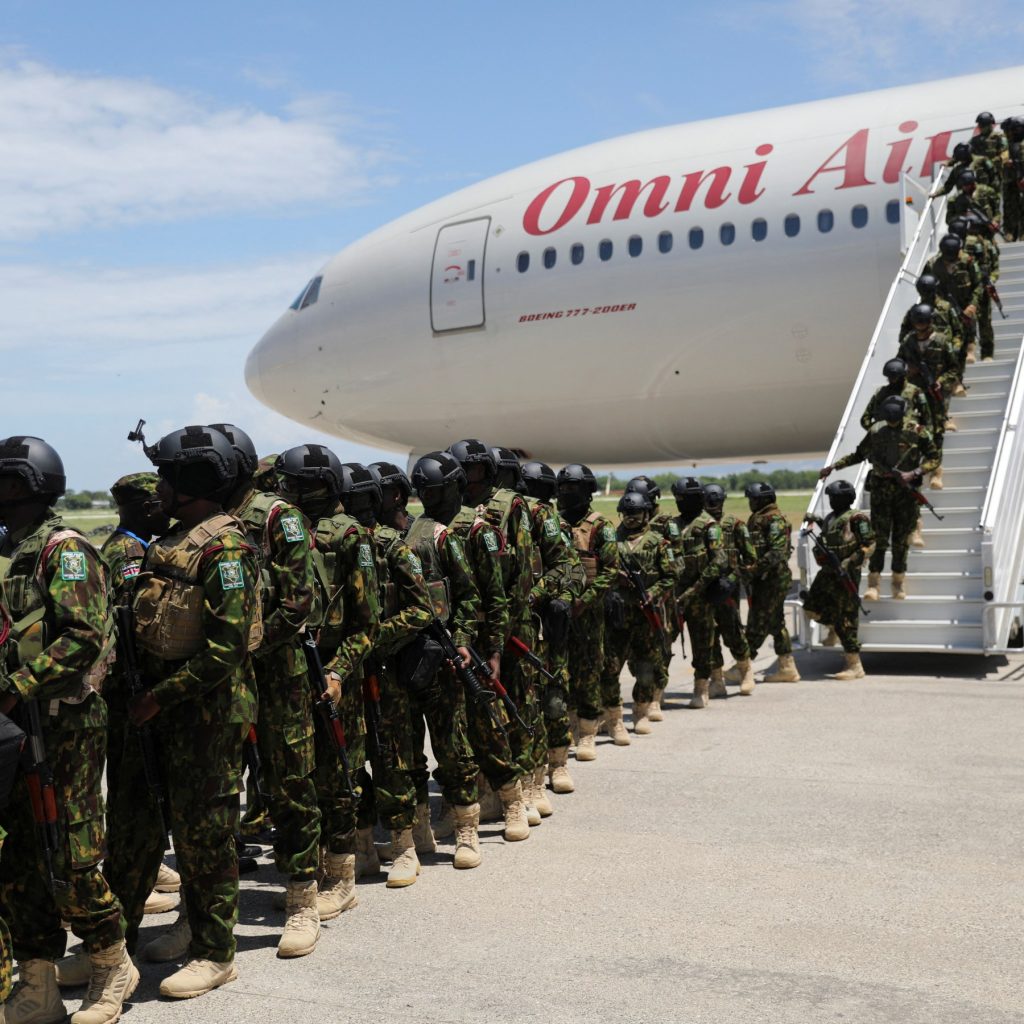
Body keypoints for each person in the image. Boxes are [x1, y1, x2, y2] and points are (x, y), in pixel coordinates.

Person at [103, 425, 261, 999]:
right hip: (155, 714)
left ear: (193, 481)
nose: (159, 490)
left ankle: (215, 953)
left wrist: (157, 698)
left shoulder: (226, 549)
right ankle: (113, 950)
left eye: (167, 478)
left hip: (205, 718)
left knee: (204, 838)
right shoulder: (170, 541)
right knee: (132, 833)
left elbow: (226, 649)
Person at [0, 436, 134, 1024]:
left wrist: (16, 686)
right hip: (15, 727)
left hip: (63, 724)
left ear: (24, 484)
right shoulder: (11, 550)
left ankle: (111, 962)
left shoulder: (65, 549)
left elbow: (83, 636)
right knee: (21, 860)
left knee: (71, 853)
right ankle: (38, 984)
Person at [212, 424, 321, 957]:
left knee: (289, 784)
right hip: (221, 677)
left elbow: (299, 602)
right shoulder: (204, 520)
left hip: (277, 674)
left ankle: (302, 898)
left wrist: (248, 646)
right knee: (215, 791)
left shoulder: (279, 517)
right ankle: (207, 910)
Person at [275, 445, 380, 921]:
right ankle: (310, 873)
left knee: (339, 777)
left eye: (305, 484)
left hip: (335, 674)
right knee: (297, 780)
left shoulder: (351, 537)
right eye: (290, 484)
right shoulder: (286, 530)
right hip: (292, 675)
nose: (294, 492)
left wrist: (339, 670)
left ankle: (342, 877)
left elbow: (367, 624)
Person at [98, 473, 181, 921]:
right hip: (126, 688)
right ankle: (131, 878)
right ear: (146, 508)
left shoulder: (132, 546)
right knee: (132, 790)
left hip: (129, 687)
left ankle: (143, 869)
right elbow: (134, 624)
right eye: (158, 504)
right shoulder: (129, 554)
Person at [356, 462, 435, 888]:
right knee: (350, 765)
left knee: (392, 759)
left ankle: (405, 845)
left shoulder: (393, 548)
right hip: (346, 671)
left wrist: (374, 637)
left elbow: (423, 610)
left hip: (385, 670)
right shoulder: (338, 545)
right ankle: (363, 848)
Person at [446, 440, 529, 842]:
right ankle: (463, 807)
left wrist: (497, 644)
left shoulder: (492, 521)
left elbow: (503, 588)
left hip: (482, 636)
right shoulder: (434, 523)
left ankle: (513, 799)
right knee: (452, 732)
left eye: (474, 471)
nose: (468, 479)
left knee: (488, 725)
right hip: (447, 638)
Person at [405, 452, 484, 869]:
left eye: (437, 490)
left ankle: (466, 827)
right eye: (426, 492)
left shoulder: (441, 537)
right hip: (405, 654)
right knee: (406, 751)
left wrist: (464, 640)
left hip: (444, 654)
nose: (431, 498)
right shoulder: (406, 534)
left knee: (453, 746)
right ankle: (418, 831)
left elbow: (469, 595)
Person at [821, 395, 939, 602]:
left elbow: (934, 457)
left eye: (895, 419)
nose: (891, 423)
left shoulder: (917, 431)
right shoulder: (876, 431)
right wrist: (834, 467)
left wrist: (914, 473)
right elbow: (859, 454)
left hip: (905, 494)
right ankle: (873, 584)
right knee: (878, 540)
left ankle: (898, 582)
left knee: (901, 540)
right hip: (881, 494)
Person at [520, 460, 586, 802]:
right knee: (525, 701)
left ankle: (558, 763)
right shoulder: (507, 520)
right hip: (520, 623)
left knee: (555, 696)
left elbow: (573, 571)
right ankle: (531, 774)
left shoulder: (551, 523)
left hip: (547, 621)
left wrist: (561, 600)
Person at [556, 464, 624, 755]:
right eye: (563, 488)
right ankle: (569, 725)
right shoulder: (553, 524)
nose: (566, 493)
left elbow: (610, 571)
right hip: (559, 611)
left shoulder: (600, 526)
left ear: (586, 491)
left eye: (572, 488)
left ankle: (588, 731)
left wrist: (584, 601)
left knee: (589, 671)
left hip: (589, 613)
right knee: (562, 670)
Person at [600, 492, 675, 734]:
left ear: (645, 514)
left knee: (646, 670)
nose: (631, 518)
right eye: (627, 514)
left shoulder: (658, 542)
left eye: (636, 514)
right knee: (610, 668)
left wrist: (653, 592)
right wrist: (616, 578)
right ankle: (613, 717)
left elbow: (670, 576)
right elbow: (599, 570)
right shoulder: (611, 540)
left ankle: (641, 711)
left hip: (645, 617)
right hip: (618, 617)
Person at [801, 480, 875, 679]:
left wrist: (851, 561)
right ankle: (833, 627)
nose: (831, 500)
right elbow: (831, 532)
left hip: (846, 573)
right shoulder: (831, 518)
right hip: (828, 571)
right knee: (811, 607)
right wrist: (815, 519)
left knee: (847, 616)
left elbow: (869, 544)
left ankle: (854, 664)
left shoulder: (857, 518)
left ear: (844, 498)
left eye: (834, 497)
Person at [623, 476, 683, 717]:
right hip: (632, 600)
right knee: (635, 656)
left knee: (660, 648)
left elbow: (677, 560)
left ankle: (656, 696)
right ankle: (646, 692)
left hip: (661, 598)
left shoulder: (666, 524)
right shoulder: (626, 523)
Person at [702, 484, 757, 695]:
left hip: (727, 589)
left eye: (716, 501)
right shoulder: (699, 526)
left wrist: (733, 579)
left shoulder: (735, 525)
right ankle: (716, 680)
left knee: (732, 631)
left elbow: (751, 559)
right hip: (705, 588)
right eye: (709, 501)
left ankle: (746, 671)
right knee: (709, 634)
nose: (713, 505)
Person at [897, 304, 959, 490]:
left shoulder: (941, 341)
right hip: (915, 395)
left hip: (935, 395)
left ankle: (936, 472)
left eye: (923, 323)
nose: (920, 327)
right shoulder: (908, 341)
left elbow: (954, 368)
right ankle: (914, 474)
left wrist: (941, 381)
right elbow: (899, 364)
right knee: (915, 433)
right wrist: (908, 370)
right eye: (917, 324)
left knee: (936, 434)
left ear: (930, 322)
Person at [672, 477, 721, 709]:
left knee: (702, 643)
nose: (679, 502)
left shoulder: (709, 526)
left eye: (683, 498)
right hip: (673, 595)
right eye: (678, 498)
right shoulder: (672, 525)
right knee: (661, 642)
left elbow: (717, 561)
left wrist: (696, 588)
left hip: (700, 595)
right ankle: (655, 692)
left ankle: (701, 688)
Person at [743, 482, 799, 682]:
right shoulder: (759, 518)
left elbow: (776, 552)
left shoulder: (774, 520)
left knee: (758, 622)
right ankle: (787, 667)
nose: (750, 503)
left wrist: (753, 570)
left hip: (772, 579)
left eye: (753, 499)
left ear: (763, 500)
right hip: (764, 578)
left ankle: (743, 664)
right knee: (776, 623)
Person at [924, 234, 981, 367]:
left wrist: (973, 304)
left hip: (965, 302)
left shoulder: (967, 261)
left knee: (969, 323)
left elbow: (978, 284)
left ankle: (970, 351)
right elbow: (925, 287)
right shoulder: (932, 265)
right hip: (943, 305)